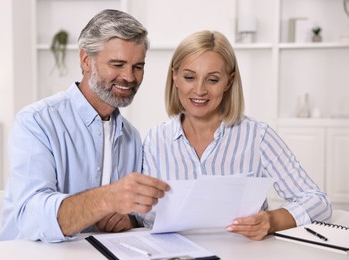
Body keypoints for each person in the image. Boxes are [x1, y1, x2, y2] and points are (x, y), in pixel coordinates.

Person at [0, 9, 170, 242]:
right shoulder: (36, 122)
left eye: (138, 66)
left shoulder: (131, 137)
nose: (129, 77)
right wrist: (107, 199)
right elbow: (31, 216)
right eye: (117, 64)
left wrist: (130, 219)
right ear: (86, 60)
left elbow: (136, 212)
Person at [140, 30, 332, 241]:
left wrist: (272, 221)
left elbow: (318, 201)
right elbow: (146, 216)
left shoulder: (258, 137)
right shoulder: (155, 140)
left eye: (212, 80)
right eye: (189, 77)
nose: (199, 90)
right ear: (175, 77)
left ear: (229, 82)